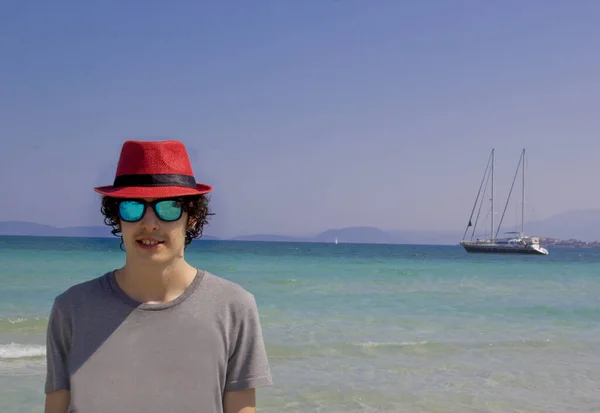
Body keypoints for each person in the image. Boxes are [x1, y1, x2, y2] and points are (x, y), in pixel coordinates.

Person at [44, 140, 273, 413]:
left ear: (192, 217)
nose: (150, 223)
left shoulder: (234, 306)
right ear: (116, 217)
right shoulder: (71, 308)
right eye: (132, 207)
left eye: (169, 207)